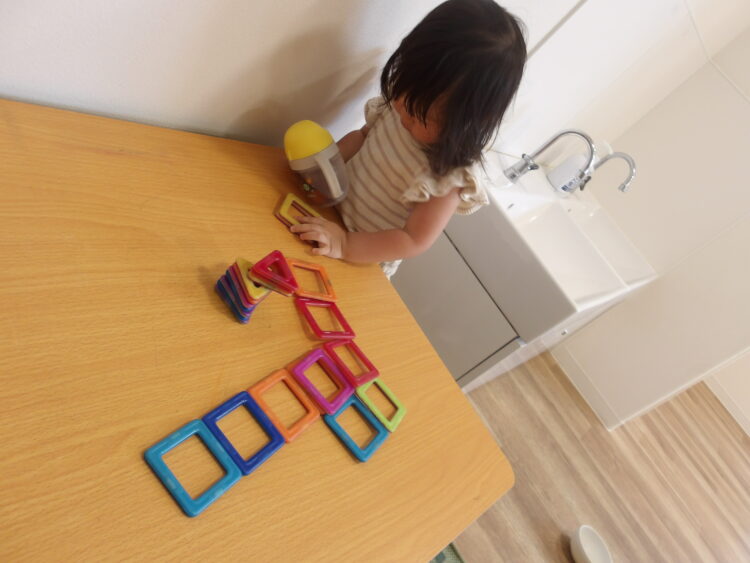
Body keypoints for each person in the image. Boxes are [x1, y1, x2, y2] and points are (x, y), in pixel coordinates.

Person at [290, 0, 526, 277]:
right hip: (328, 221)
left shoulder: (449, 178)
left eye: (420, 114)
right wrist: (324, 167)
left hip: (360, 263)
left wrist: (345, 244)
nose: (401, 107)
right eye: (404, 89)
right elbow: (362, 137)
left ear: (467, 122)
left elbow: (413, 240)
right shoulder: (404, 103)